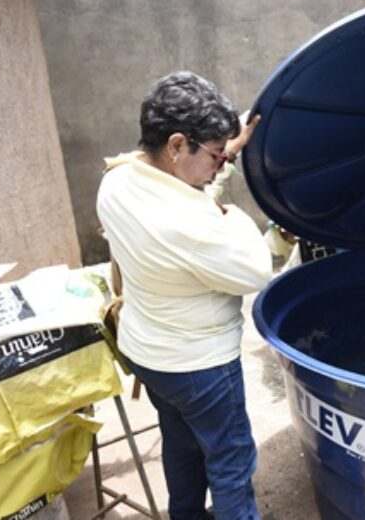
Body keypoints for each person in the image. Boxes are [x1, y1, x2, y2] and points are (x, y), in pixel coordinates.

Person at [96, 71, 271, 520]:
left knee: (181, 448)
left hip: (150, 356)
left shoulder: (114, 183)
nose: (219, 165)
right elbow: (256, 268)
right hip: (201, 367)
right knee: (231, 465)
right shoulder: (196, 226)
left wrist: (223, 151)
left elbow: (179, 185)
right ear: (177, 145)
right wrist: (233, 213)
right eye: (214, 155)